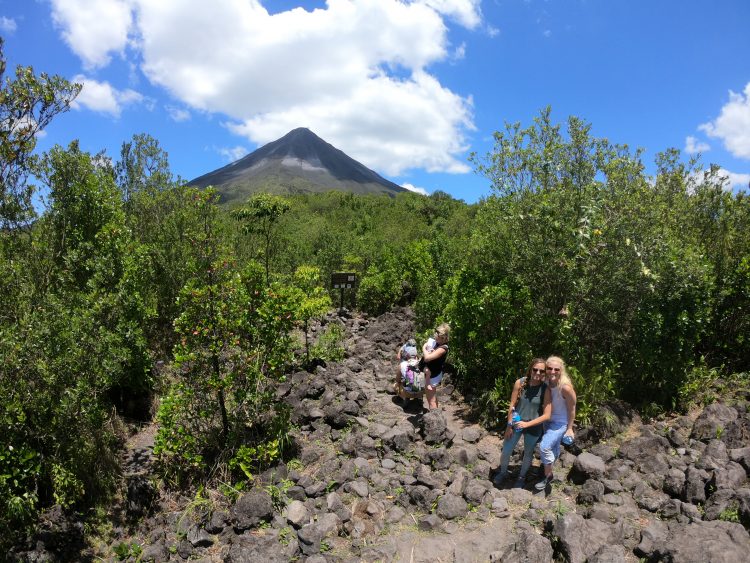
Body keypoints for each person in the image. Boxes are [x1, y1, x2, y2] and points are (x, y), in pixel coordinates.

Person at [493, 358, 552, 487]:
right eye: (535, 369)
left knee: (528, 453)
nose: (538, 373)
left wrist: (527, 424)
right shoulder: (520, 383)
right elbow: (512, 405)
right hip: (516, 423)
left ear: (545, 373)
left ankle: (521, 477)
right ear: (530, 369)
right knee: (506, 451)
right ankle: (503, 472)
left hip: (534, 426)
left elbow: (547, 415)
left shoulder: (545, 389)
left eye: (542, 371)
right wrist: (509, 425)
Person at [535, 355, 576, 491]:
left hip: (560, 424)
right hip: (547, 420)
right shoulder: (546, 381)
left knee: (544, 447)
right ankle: (548, 466)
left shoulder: (565, 388)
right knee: (553, 448)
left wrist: (570, 428)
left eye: (556, 369)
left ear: (561, 370)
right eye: (549, 368)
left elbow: (572, 408)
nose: (552, 372)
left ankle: (548, 475)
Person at [421, 323, 450, 410]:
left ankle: (433, 419)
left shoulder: (443, 348)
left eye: (436, 334)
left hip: (433, 375)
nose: (434, 335)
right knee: (432, 397)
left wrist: (424, 347)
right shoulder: (438, 344)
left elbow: (427, 358)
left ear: (441, 336)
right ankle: (436, 416)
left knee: (431, 400)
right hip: (433, 372)